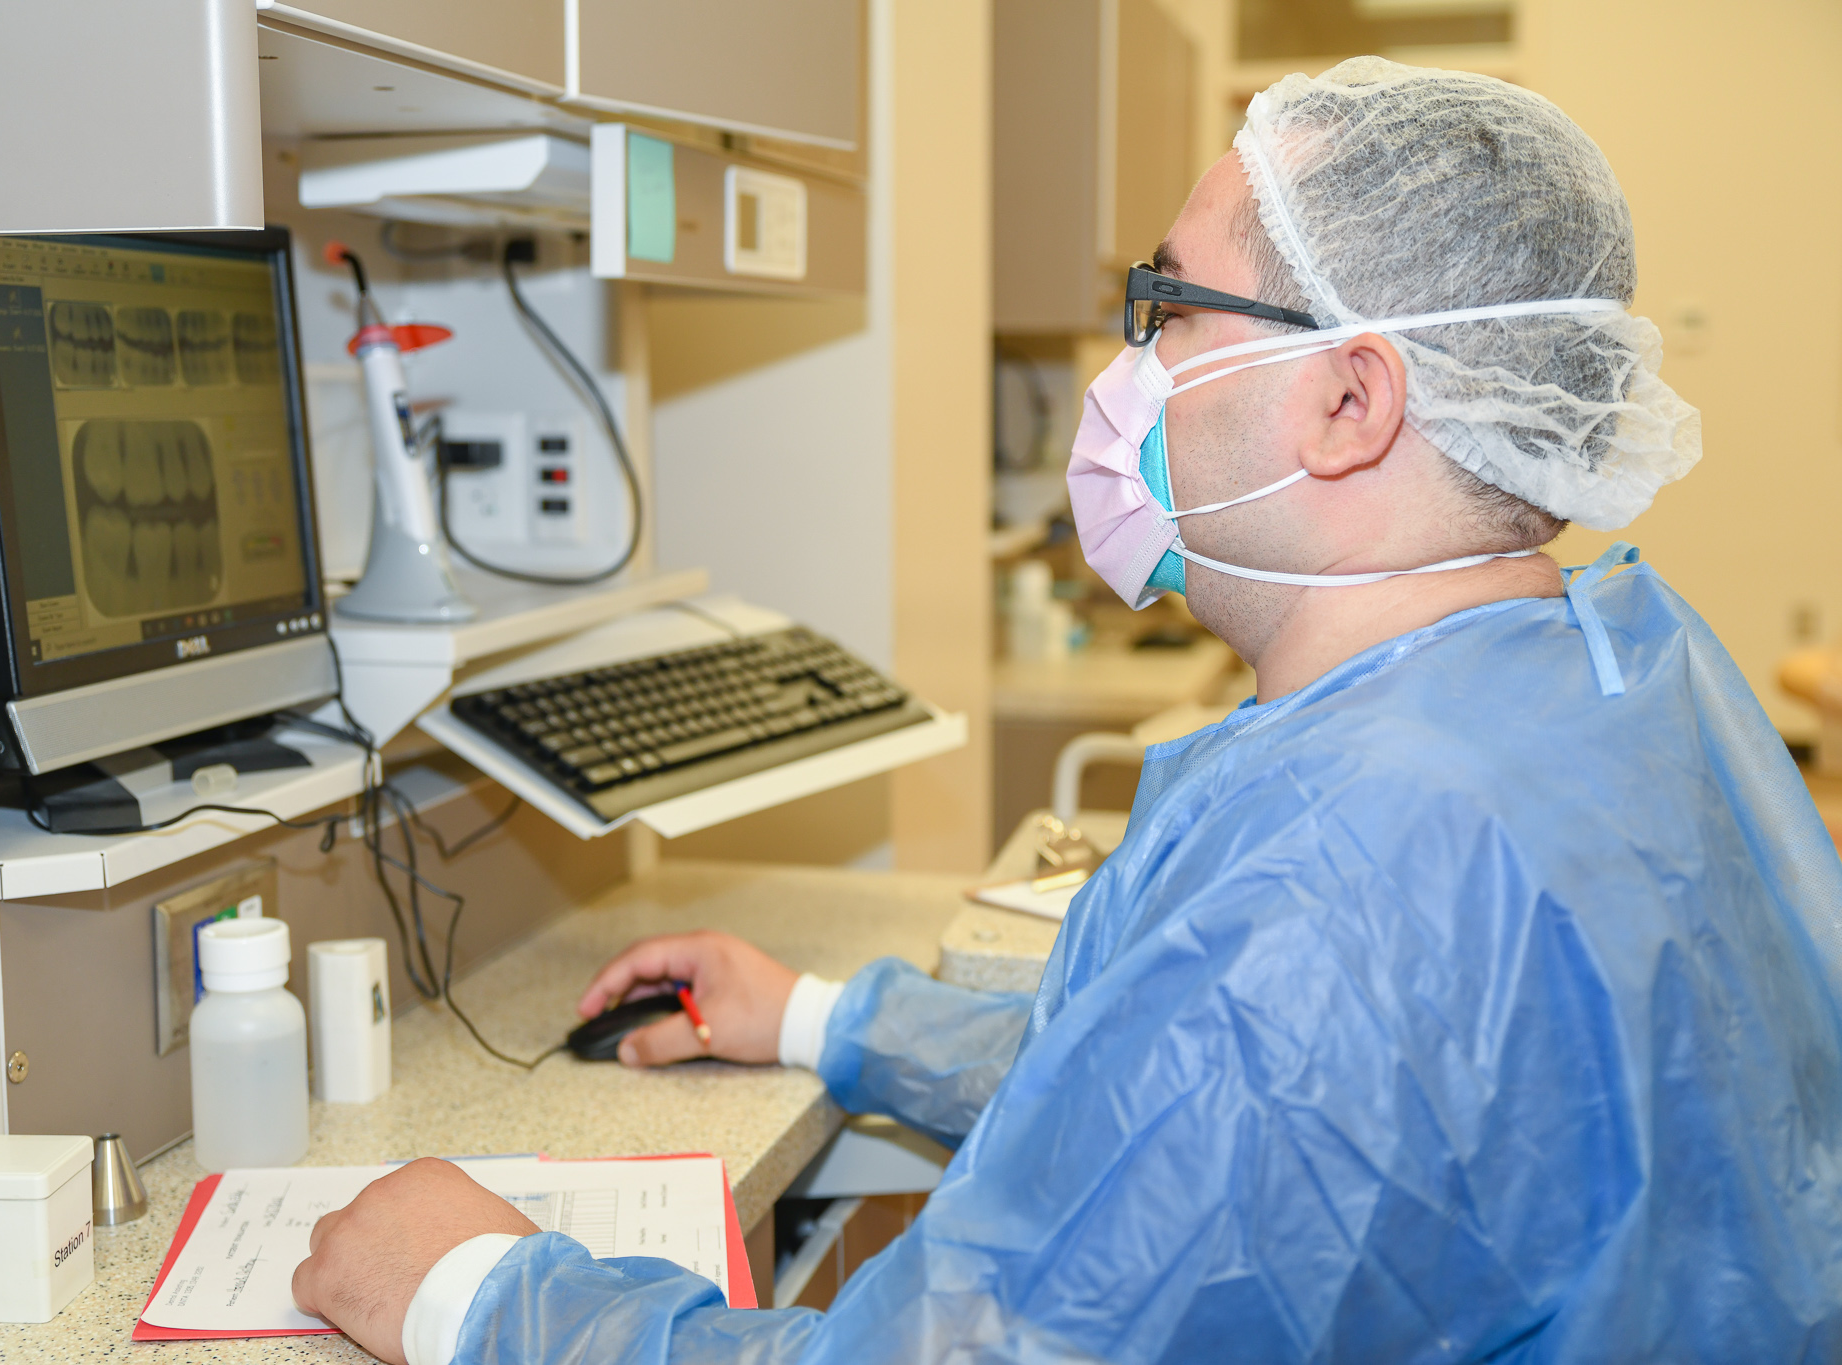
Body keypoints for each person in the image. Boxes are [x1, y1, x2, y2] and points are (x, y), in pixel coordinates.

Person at [294, 58, 1842, 1363]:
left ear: (1352, 401)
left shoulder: (1344, 879)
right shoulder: (1602, 678)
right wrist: (829, 1020)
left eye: (1165, 303)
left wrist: (473, 1290)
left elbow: (1231, 1084)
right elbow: (1191, 1094)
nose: (1132, 361)